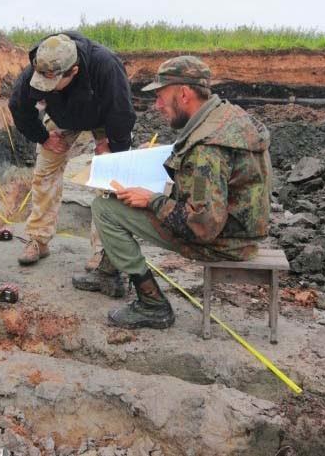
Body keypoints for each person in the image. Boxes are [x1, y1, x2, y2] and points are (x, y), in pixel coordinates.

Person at [73, 56, 272, 329]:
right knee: (118, 196)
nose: (157, 106)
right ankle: (108, 273)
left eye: (160, 97)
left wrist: (152, 200)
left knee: (106, 209)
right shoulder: (222, 117)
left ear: (184, 93)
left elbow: (203, 226)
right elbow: (197, 168)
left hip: (223, 244)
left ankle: (152, 304)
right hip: (237, 231)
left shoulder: (207, 148)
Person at [9, 32, 135, 271]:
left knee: (109, 178)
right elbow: (18, 106)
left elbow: (122, 111)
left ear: (73, 71)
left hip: (104, 118)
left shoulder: (105, 66)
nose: (46, 87)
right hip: (63, 117)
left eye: (52, 83)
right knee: (45, 170)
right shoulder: (39, 65)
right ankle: (38, 238)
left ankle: (104, 250)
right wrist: (43, 137)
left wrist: (113, 148)